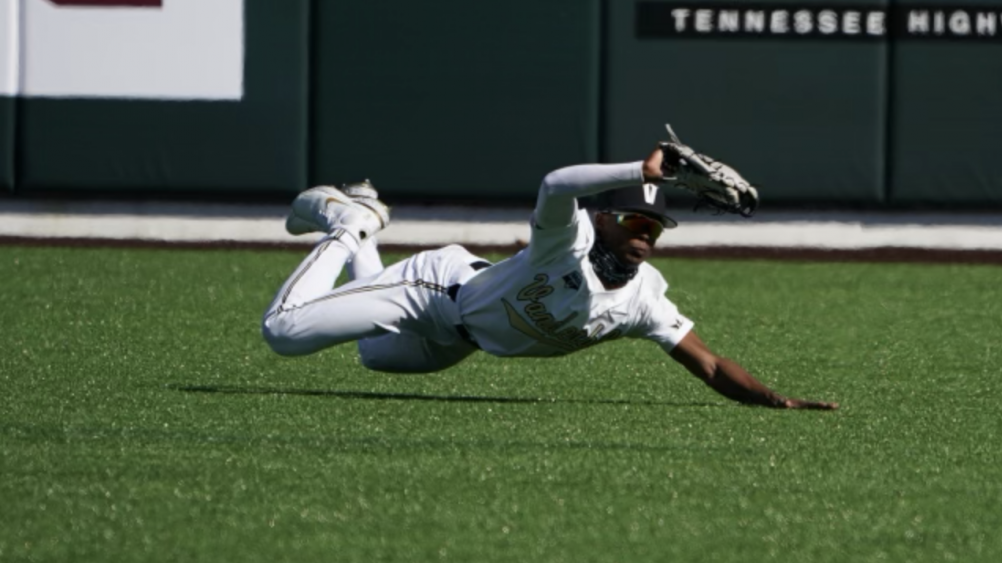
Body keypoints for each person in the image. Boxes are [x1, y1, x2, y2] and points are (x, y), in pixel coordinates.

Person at [261, 146, 837, 410]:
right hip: (435, 288)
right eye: (637, 218)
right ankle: (349, 221)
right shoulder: (568, 239)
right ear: (606, 217)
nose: (647, 233)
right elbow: (557, 183)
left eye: (657, 227)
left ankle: (365, 230)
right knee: (284, 333)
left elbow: (709, 364)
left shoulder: (643, 299)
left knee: (372, 355)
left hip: (462, 341)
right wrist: (640, 170)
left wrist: (773, 399)